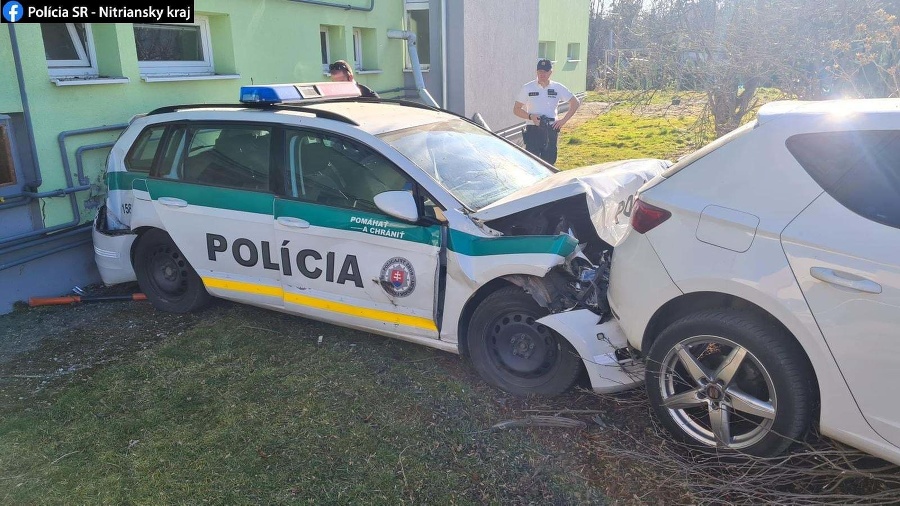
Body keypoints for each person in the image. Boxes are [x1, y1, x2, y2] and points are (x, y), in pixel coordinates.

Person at [513, 58, 580, 165]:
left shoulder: (557, 87)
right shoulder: (528, 88)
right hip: (533, 129)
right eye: (540, 71)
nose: (542, 74)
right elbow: (516, 109)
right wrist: (530, 116)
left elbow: (575, 103)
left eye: (545, 71)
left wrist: (563, 121)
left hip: (551, 128)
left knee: (549, 162)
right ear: (536, 72)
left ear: (551, 72)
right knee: (532, 163)